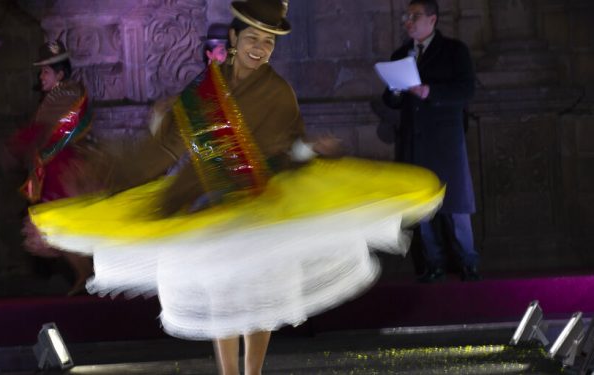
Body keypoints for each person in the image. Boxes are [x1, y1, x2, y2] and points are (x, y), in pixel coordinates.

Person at [30, 1, 444, 374]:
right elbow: (161, 151)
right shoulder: (202, 92)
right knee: (222, 299)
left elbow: (291, 148)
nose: (260, 48)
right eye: (253, 38)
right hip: (211, 205)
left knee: (257, 299)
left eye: (268, 42)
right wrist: (114, 166)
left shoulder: (280, 93)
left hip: (260, 204)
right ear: (233, 38)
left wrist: (311, 148)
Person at [382, 0, 481, 283]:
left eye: (415, 16)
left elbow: (465, 89)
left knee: (457, 206)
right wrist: (397, 94)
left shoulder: (454, 51)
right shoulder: (401, 54)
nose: (408, 22)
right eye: (406, 16)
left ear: (433, 19)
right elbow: (389, 98)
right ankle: (433, 263)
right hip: (416, 140)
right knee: (424, 208)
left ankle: (469, 262)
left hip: (446, 141)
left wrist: (430, 92)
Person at [5, 40, 97, 296]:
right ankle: (84, 274)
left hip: (64, 171)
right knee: (57, 227)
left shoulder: (64, 95)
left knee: (56, 224)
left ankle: (85, 274)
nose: (40, 76)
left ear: (60, 74)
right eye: (41, 71)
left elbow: (42, 132)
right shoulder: (59, 97)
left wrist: (15, 145)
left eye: (45, 71)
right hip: (57, 169)